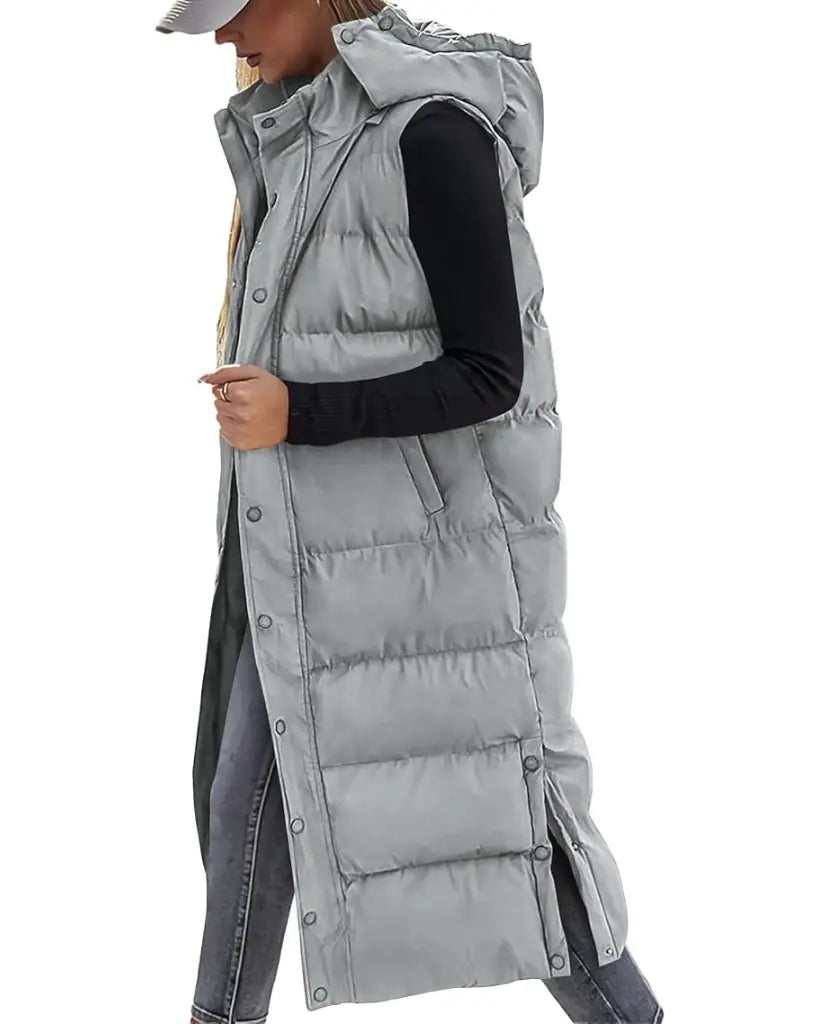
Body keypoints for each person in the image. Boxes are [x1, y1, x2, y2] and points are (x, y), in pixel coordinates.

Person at [155, 2, 665, 1022]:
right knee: (246, 813)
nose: (221, 35)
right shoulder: (295, 139)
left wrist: (299, 412)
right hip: (299, 569)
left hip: (427, 589)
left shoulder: (431, 131)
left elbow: (491, 372)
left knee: (521, 859)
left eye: (238, 7)